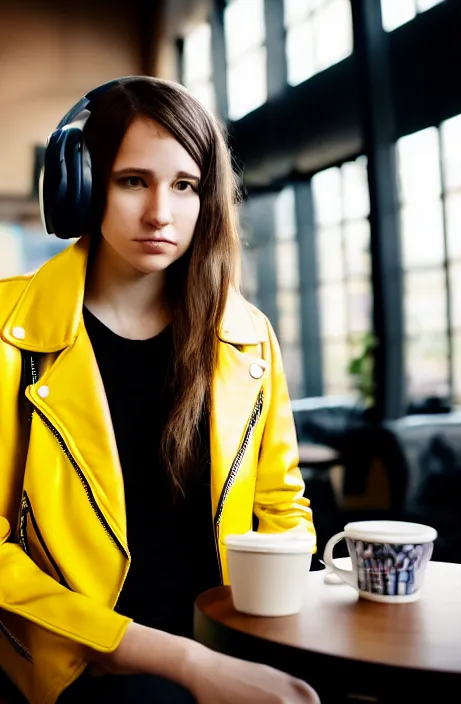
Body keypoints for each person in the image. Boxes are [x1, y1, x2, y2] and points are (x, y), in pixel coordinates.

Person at [0, 76, 318, 704]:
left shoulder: (248, 335)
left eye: (185, 186)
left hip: (229, 642)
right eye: (132, 181)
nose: (159, 214)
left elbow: (282, 509)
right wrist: (186, 663)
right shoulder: (8, 330)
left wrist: (258, 645)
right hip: (79, 661)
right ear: (81, 187)